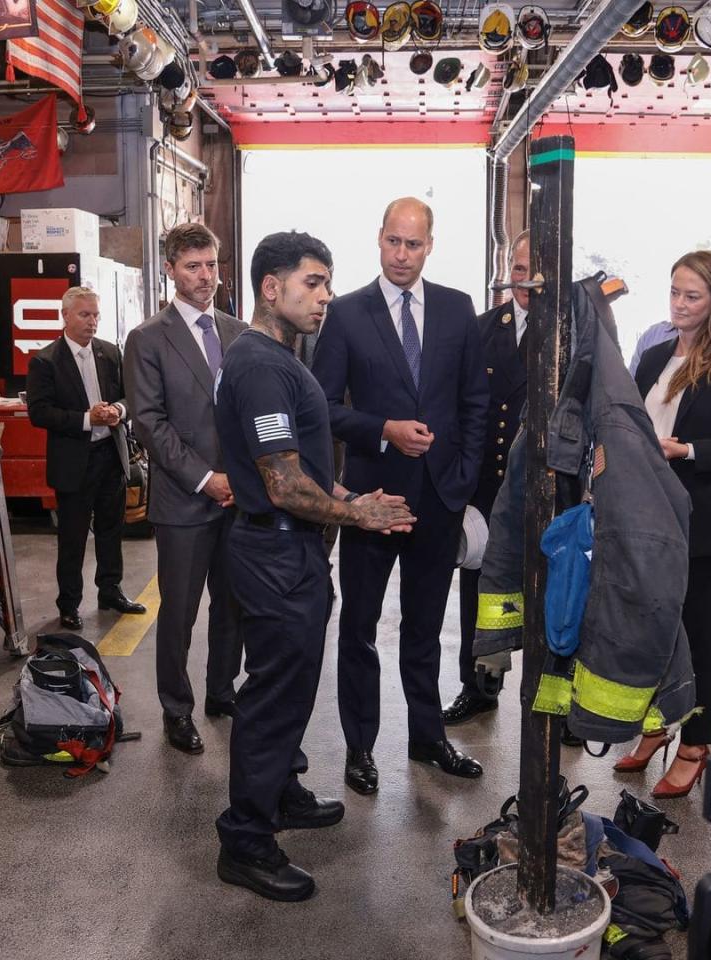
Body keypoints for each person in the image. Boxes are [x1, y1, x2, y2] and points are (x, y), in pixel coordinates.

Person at [214, 230, 414, 901]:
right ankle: (245, 838)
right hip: (275, 549)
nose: (325, 297)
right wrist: (356, 515)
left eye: (328, 283)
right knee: (273, 696)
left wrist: (355, 498)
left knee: (292, 686)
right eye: (312, 283)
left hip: (290, 547)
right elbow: (281, 484)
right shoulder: (262, 367)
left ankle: (278, 793)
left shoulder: (281, 359)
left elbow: (306, 475)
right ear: (271, 288)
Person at [312, 197, 489, 795]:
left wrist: (460, 480)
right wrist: (383, 429)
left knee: (425, 627)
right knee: (359, 626)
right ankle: (360, 747)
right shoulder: (347, 314)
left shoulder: (458, 309)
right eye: (394, 241)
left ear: (430, 245)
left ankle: (427, 735)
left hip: (439, 499)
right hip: (371, 500)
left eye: (414, 244)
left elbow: (474, 404)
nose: (402, 255)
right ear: (379, 239)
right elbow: (326, 408)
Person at [626, 251, 711, 798]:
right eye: (674, 293)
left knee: (701, 638)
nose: (679, 305)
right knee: (651, 633)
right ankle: (655, 726)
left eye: (693, 296)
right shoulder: (653, 355)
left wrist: (687, 450)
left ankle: (695, 743)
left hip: (703, 524)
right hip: (646, 517)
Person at [124, 224, 245, 755]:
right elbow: (150, 423)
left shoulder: (240, 333)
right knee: (179, 613)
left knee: (233, 606)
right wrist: (205, 478)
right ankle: (177, 709)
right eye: (193, 266)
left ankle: (222, 691)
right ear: (171, 270)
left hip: (240, 499)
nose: (205, 277)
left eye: (212, 265)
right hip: (185, 501)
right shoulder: (148, 338)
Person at [442, 230, 529, 726]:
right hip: (487, 489)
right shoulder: (482, 327)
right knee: (480, 592)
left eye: (533, 270)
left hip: (544, 490)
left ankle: (553, 703)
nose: (524, 281)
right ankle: (478, 687)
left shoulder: (572, 330)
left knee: (548, 597)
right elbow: (463, 410)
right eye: (516, 269)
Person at [26, 287, 145, 631]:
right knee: (73, 538)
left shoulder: (110, 352)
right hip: (74, 461)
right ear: (64, 316)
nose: (92, 322)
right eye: (84, 315)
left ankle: (110, 591)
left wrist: (118, 411)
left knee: (112, 530)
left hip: (110, 455)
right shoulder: (45, 361)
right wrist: (85, 419)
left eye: (95, 315)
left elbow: (130, 395)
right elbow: (39, 412)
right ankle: (69, 604)